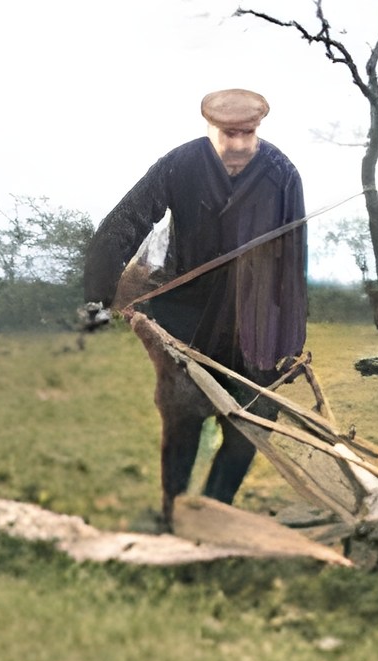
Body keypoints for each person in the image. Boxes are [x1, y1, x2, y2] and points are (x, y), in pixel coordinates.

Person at [81, 89, 308, 524]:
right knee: (183, 417)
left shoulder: (281, 173)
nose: (239, 144)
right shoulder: (181, 164)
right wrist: (97, 294)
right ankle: (175, 512)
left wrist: (290, 336)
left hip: (252, 320)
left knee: (254, 422)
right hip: (185, 316)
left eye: (248, 133)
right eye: (229, 134)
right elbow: (127, 220)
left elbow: (292, 260)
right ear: (211, 129)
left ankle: (215, 511)